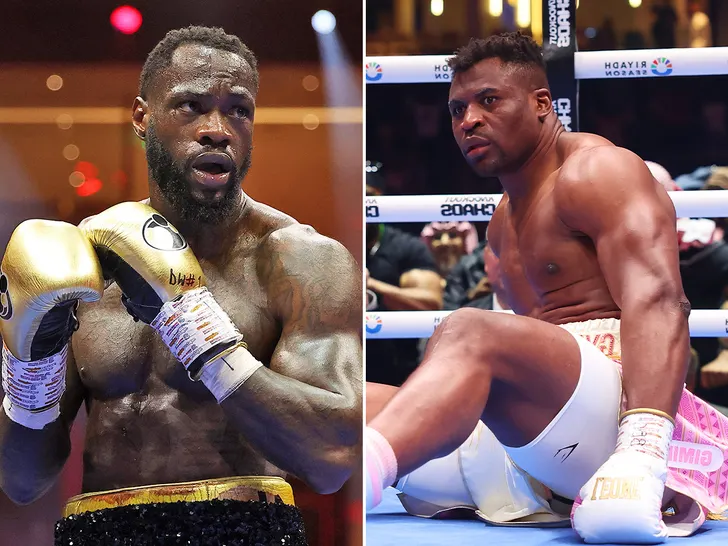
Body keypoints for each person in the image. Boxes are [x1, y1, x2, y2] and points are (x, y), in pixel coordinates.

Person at [0, 26, 362, 545]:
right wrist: (30, 371)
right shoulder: (84, 262)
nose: (218, 128)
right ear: (143, 117)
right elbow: (22, 482)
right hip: (97, 532)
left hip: (245, 531)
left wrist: (194, 325)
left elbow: (329, 459)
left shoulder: (301, 261)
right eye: (191, 106)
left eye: (238, 110)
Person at [365, 32, 728, 544]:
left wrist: (642, 447)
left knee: (467, 329)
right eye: (456, 108)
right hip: (540, 433)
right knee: (343, 404)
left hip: (621, 410)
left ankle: (366, 474)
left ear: (541, 104)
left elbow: (660, 301)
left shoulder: (597, 172)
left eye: (488, 100)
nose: (468, 120)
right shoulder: (500, 224)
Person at [365, 168, 443, 386]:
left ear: (380, 198)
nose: (361, 203)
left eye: (368, 196)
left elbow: (430, 302)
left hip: (399, 371)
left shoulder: (406, 247)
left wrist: (370, 284)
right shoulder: (333, 241)